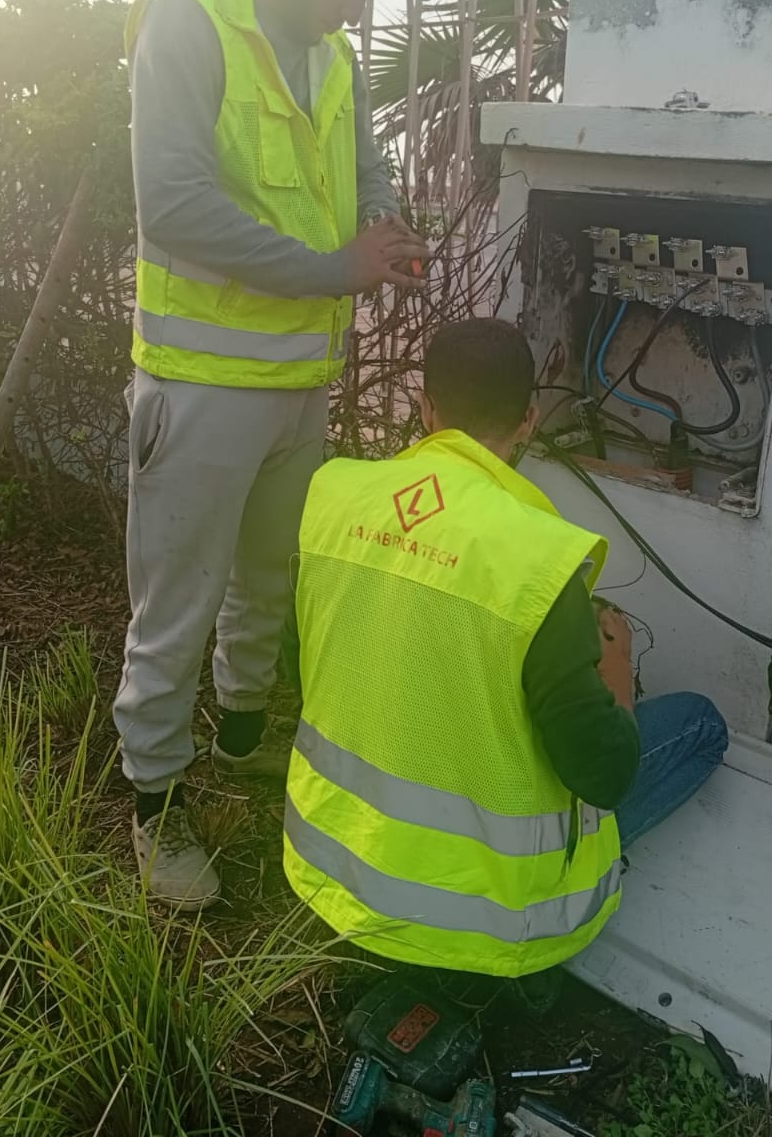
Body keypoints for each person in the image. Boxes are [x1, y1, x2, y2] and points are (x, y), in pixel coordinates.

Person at [114, 0, 430, 910]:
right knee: (178, 604)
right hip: (200, 386)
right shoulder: (187, 26)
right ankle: (152, 808)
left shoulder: (330, 54)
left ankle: (243, 735)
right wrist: (339, 269)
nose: (363, 2)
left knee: (266, 576)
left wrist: (385, 226)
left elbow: (365, 167)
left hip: (299, 381)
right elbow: (176, 206)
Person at [282, 319, 728, 979]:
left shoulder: (334, 495)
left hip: (331, 866)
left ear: (425, 407)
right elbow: (602, 774)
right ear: (527, 420)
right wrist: (615, 671)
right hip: (486, 923)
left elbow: (310, 660)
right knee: (697, 723)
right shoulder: (537, 562)